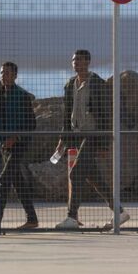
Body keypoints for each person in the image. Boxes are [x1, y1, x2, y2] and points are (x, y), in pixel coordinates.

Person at [54, 49, 129, 229]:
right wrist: (62, 139)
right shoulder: (70, 84)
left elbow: (106, 115)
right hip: (76, 136)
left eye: (79, 60)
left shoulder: (97, 84)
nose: (76, 63)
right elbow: (67, 114)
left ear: (88, 62)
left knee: (75, 173)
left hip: (93, 135)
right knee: (93, 177)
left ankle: (72, 217)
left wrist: (104, 143)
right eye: (74, 60)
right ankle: (120, 212)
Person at [0, 62, 39, 230]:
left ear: (15, 75)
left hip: (19, 145)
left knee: (3, 179)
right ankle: (32, 219)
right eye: (2, 73)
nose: (3, 76)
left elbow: (31, 123)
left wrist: (15, 137)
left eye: (7, 73)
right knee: (18, 182)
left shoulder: (22, 96)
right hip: (4, 145)